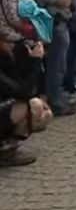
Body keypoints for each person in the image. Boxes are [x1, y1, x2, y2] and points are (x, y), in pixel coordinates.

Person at [31, 0, 76, 117]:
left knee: (57, 65)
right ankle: (56, 102)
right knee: (56, 66)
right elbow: (63, 1)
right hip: (56, 26)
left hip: (57, 25)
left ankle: (57, 97)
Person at [0, 37, 52, 167]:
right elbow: (23, 92)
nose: (13, 45)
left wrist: (28, 61)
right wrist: (35, 62)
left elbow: (21, 85)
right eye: (8, 41)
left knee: (43, 110)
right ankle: (4, 149)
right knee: (29, 108)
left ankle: (7, 146)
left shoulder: (6, 58)